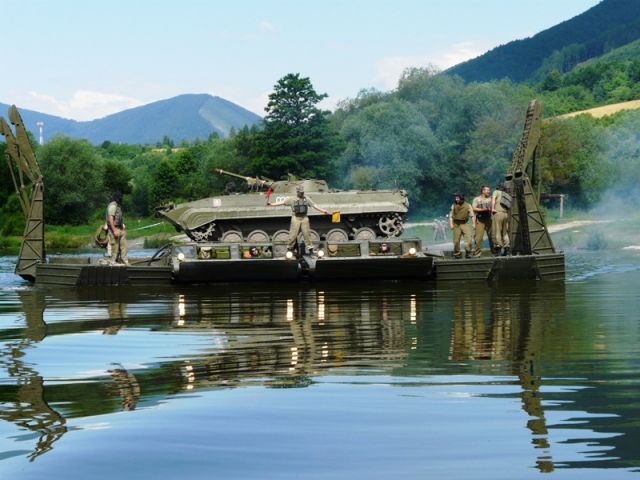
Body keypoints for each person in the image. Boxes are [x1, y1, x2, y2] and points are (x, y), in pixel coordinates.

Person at [269, 184, 329, 253]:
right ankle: (290, 248)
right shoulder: (292, 199)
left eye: (303, 192)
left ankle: (310, 249)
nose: (302, 193)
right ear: (297, 192)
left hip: (304, 218)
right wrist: (272, 204)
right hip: (296, 218)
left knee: (307, 234)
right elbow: (282, 202)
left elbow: (314, 205)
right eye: (301, 192)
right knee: (293, 235)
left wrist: (323, 210)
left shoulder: (306, 198)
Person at [448, 193, 474, 259]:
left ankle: (468, 253)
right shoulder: (453, 205)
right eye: (456, 198)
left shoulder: (468, 205)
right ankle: (457, 254)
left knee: (468, 240)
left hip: (465, 224)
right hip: (456, 224)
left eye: (457, 198)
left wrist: (474, 224)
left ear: (461, 198)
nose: (456, 199)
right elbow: (450, 216)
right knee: (456, 241)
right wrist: (451, 224)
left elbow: (472, 215)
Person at [106, 191, 128, 265]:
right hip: (114, 229)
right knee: (115, 247)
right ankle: (113, 262)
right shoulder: (113, 205)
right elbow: (111, 218)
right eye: (120, 198)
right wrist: (114, 230)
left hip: (120, 228)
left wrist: (122, 225)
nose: (121, 199)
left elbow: (120, 216)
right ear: (118, 198)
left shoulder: (118, 205)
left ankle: (125, 262)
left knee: (123, 247)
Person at [471, 185, 493, 257]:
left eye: (489, 190)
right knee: (479, 238)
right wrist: (484, 209)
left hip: (489, 219)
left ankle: (494, 252)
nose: (489, 191)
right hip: (480, 220)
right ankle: (477, 253)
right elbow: (474, 208)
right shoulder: (477, 199)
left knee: (492, 236)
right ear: (483, 191)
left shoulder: (491, 199)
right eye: (487, 190)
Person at [491, 183, 511, 256]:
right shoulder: (507, 195)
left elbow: (493, 199)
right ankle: (507, 248)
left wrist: (493, 208)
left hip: (498, 213)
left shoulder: (496, 192)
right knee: (505, 232)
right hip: (505, 214)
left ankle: (498, 248)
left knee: (497, 231)